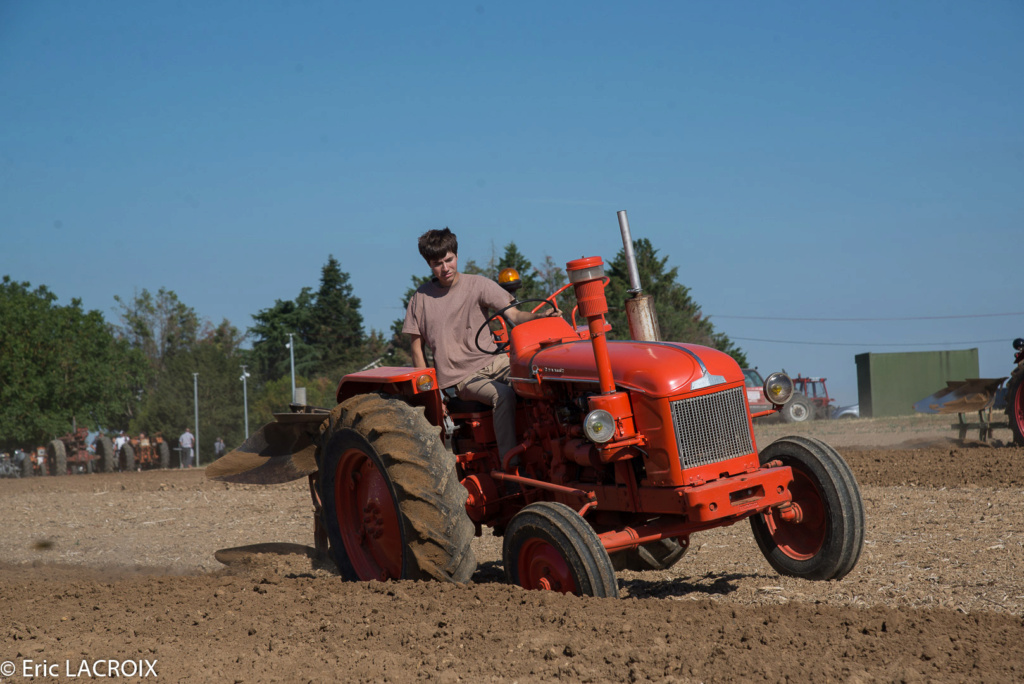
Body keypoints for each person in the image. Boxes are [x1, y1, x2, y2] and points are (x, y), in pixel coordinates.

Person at [402, 227, 559, 459]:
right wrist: (431, 395)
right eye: (437, 263)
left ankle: (551, 449)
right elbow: (417, 350)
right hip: (462, 377)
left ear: (456, 256)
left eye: (449, 260)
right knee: (503, 395)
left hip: (496, 362)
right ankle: (511, 464)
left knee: (539, 379)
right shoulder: (420, 299)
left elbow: (514, 316)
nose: (445, 268)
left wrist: (540, 317)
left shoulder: (477, 285)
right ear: (429, 264)